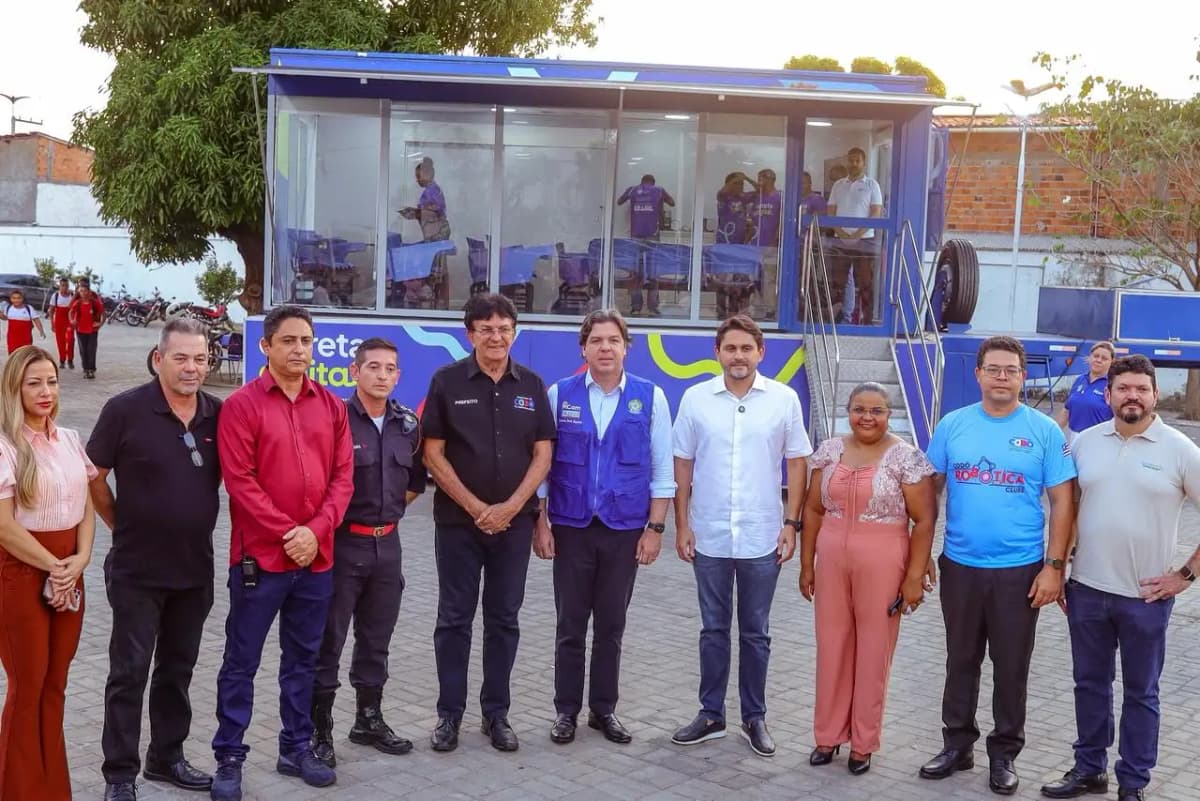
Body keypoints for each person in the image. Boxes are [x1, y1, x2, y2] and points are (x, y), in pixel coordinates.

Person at [920, 335, 1076, 796]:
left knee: (1011, 666)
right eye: (994, 369)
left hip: (1020, 570)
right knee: (960, 659)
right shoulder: (953, 425)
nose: (1002, 377)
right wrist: (921, 554)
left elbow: (1063, 502)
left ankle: (1004, 753)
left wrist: (1054, 567)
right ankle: (957, 745)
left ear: (1023, 377)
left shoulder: (1044, 431)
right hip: (960, 565)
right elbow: (929, 493)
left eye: (1011, 370)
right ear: (979, 374)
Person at [210, 305, 354, 800]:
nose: (299, 349)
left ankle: (295, 748)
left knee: (303, 661)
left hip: (316, 561)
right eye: (288, 340)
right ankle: (229, 757)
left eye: (306, 341)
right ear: (265, 346)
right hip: (261, 561)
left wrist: (316, 531)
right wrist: (291, 531)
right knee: (241, 662)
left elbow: (343, 479)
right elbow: (240, 482)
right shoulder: (242, 406)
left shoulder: (331, 406)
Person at [1041, 355, 1200, 801]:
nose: (1133, 396)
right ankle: (1089, 769)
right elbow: (1068, 509)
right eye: (1124, 388)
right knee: (1089, 685)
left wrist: (1185, 575)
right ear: (1108, 394)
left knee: (1141, 693)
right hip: (1087, 591)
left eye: (1141, 389)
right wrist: (1060, 567)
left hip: (1145, 598)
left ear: (1155, 395)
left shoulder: (1180, 450)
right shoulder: (1085, 443)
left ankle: (1133, 782)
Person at [87, 319, 223, 801]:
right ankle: (119, 775)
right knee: (129, 674)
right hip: (137, 571)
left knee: (177, 671)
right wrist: (120, 524)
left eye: (200, 359)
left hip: (194, 569)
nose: (192, 368)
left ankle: (166, 758)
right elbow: (93, 475)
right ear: (158, 359)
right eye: (181, 358)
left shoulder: (217, 414)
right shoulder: (124, 410)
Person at [671, 314, 812, 758]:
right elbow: (682, 464)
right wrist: (682, 524)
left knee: (756, 633)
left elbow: (797, 463)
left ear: (760, 353)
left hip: (762, 535)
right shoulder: (695, 399)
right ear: (717, 353)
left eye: (746, 348)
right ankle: (711, 714)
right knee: (713, 630)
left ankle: (755, 717)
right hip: (709, 533)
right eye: (730, 348)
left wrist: (791, 523)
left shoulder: (784, 400)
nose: (738, 356)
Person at [533, 309, 675, 746]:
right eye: (596, 340)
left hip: (624, 529)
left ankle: (603, 710)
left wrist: (655, 528)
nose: (605, 348)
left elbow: (663, 468)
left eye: (613, 340)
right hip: (572, 526)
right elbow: (543, 466)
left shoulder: (650, 397)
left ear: (626, 347)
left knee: (611, 626)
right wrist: (541, 521)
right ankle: (566, 711)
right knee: (570, 625)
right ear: (583, 349)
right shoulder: (560, 394)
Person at [421, 293, 555, 754]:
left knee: (504, 619)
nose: (496, 337)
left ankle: (496, 714)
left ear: (514, 333)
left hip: (514, 527)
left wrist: (511, 509)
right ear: (470, 334)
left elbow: (543, 455)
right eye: (486, 329)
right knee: (453, 620)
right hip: (458, 525)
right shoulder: (446, 381)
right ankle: (449, 715)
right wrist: (477, 507)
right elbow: (432, 454)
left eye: (503, 329)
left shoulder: (532, 385)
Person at [799, 382, 936, 775]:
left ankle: (863, 742)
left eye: (877, 410)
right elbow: (813, 510)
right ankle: (827, 735)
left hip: (883, 558)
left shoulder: (906, 458)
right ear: (849, 411)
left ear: (889, 414)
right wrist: (807, 564)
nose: (867, 417)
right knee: (831, 645)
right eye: (860, 409)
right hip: (831, 558)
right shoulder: (829, 451)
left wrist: (913, 577)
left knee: (875, 651)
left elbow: (924, 520)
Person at [311, 337, 425, 768]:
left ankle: (368, 719)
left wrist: (386, 516)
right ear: (354, 372)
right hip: (343, 544)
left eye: (390, 369)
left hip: (387, 545)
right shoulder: (335, 419)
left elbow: (415, 484)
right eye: (373, 367)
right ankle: (319, 729)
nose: (382, 375)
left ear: (398, 376)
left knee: (377, 638)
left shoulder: (407, 424)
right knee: (329, 639)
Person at [0, 346, 98, 801]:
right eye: (34, 383)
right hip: (21, 573)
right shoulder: (5, 446)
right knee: (28, 685)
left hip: (68, 570)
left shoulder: (71, 439)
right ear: (14, 388)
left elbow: (86, 507)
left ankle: (54, 790)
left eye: (52, 381)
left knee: (56, 684)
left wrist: (80, 560)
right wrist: (56, 567)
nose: (46, 391)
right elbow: (4, 526)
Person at [826, 147, 883, 324]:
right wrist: (842, 234)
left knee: (865, 283)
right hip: (840, 241)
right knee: (840, 283)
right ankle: (843, 319)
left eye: (857, 161)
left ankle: (866, 322)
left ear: (864, 163)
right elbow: (831, 212)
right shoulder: (838, 185)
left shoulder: (872, 185)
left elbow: (875, 213)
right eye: (851, 160)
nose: (854, 164)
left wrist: (857, 235)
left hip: (864, 241)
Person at [617, 174, 676, 316]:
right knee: (653, 272)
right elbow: (672, 202)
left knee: (635, 272)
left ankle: (636, 307)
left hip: (635, 235)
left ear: (641, 182)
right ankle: (652, 307)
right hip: (652, 235)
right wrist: (658, 203)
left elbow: (619, 201)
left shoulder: (632, 190)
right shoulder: (659, 190)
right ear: (653, 182)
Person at [399, 156, 451, 307]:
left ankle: (437, 301)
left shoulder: (432, 191)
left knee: (436, 271)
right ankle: (438, 302)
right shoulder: (432, 190)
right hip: (433, 234)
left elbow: (435, 211)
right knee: (438, 270)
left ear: (427, 174)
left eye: (418, 176)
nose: (417, 180)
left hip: (436, 235)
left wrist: (417, 213)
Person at [1055, 341, 1115, 444]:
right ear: (1089, 357)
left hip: (1099, 440)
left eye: (1104, 358)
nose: (1099, 360)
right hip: (1074, 437)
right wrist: (1052, 434)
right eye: (1096, 356)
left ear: (1112, 362)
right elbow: (1066, 411)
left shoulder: (1112, 385)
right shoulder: (1080, 380)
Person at [748, 169, 783, 320]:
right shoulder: (757, 198)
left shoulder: (779, 197)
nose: (760, 181)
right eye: (759, 178)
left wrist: (774, 241)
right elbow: (750, 221)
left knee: (769, 277)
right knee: (754, 277)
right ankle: (757, 308)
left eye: (763, 178)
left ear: (772, 179)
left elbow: (782, 222)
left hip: (771, 245)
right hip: (755, 244)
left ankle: (770, 309)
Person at [68, 280, 105, 379]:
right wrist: (72, 320)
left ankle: (91, 370)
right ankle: (85, 369)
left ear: (89, 291)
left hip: (92, 330)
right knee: (83, 350)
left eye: (85, 291)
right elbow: (70, 311)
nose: (83, 293)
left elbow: (103, 313)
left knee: (91, 350)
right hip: (80, 330)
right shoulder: (78, 302)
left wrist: (100, 323)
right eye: (81, 291)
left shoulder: (94, 301)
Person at [0, 289, 47, 354]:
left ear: (22, 299)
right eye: (14, 298)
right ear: (10, 299)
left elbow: (36, 320)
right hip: (12, 339)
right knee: (13, 355)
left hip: (26, 339)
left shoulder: (29, 308)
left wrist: (41, 330)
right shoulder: (8, 308)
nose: (16, 300)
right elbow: (5, 318)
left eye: (19, 298)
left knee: (25, 355)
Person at [46, 278, 75, 369]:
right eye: (63, 285)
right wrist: (52, 323)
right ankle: (62, 360)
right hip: (59, 321)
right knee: (60, 341)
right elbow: (51, 310)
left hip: (69, 320)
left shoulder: (72, 295)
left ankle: (70, 360)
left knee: (70, 340)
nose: (64, 287)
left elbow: (76, 309)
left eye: (66, 286)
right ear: (60, 286)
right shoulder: (55, 296)